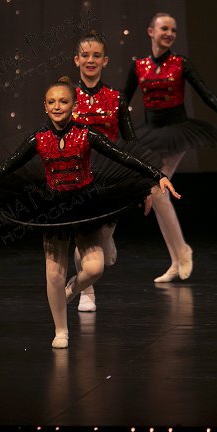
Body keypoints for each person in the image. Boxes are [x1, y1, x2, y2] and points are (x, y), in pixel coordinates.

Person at [0, 77, 179, 348]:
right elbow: (4, 167)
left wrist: (157, 175)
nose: (57, 106)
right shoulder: (38, 138)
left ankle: (73, 288)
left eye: (63, 101)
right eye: (52, 102)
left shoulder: (87, 134)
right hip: (54, 208)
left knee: (95, 268)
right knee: (54, 272)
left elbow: (122, 156)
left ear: (74, 106)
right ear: (45, 106)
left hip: (85, 205)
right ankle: (61, 330)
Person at [125, 12, 217, 282]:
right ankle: (177, 258)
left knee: (158, 191)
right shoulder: (139, 66)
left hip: (176, 133)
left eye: (173, 30)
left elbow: (207, 94)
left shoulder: (180, 63)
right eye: (164, 29)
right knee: (159, 196)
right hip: (149, 134)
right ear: (150, 32)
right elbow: (122, 102)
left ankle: (182, 252)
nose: (169, 33)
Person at [70, 31, 142, 312]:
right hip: (77, 176)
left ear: (105, 61)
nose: (91, 60)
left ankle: (107, 244)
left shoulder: (116, 97)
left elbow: (131, 140)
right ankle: (86, 290)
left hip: (110, 178)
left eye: (96, 55)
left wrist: (145, 183)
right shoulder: (68, 97)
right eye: (85, 55)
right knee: (84, 238)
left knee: (104, 249)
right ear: (76, 60)